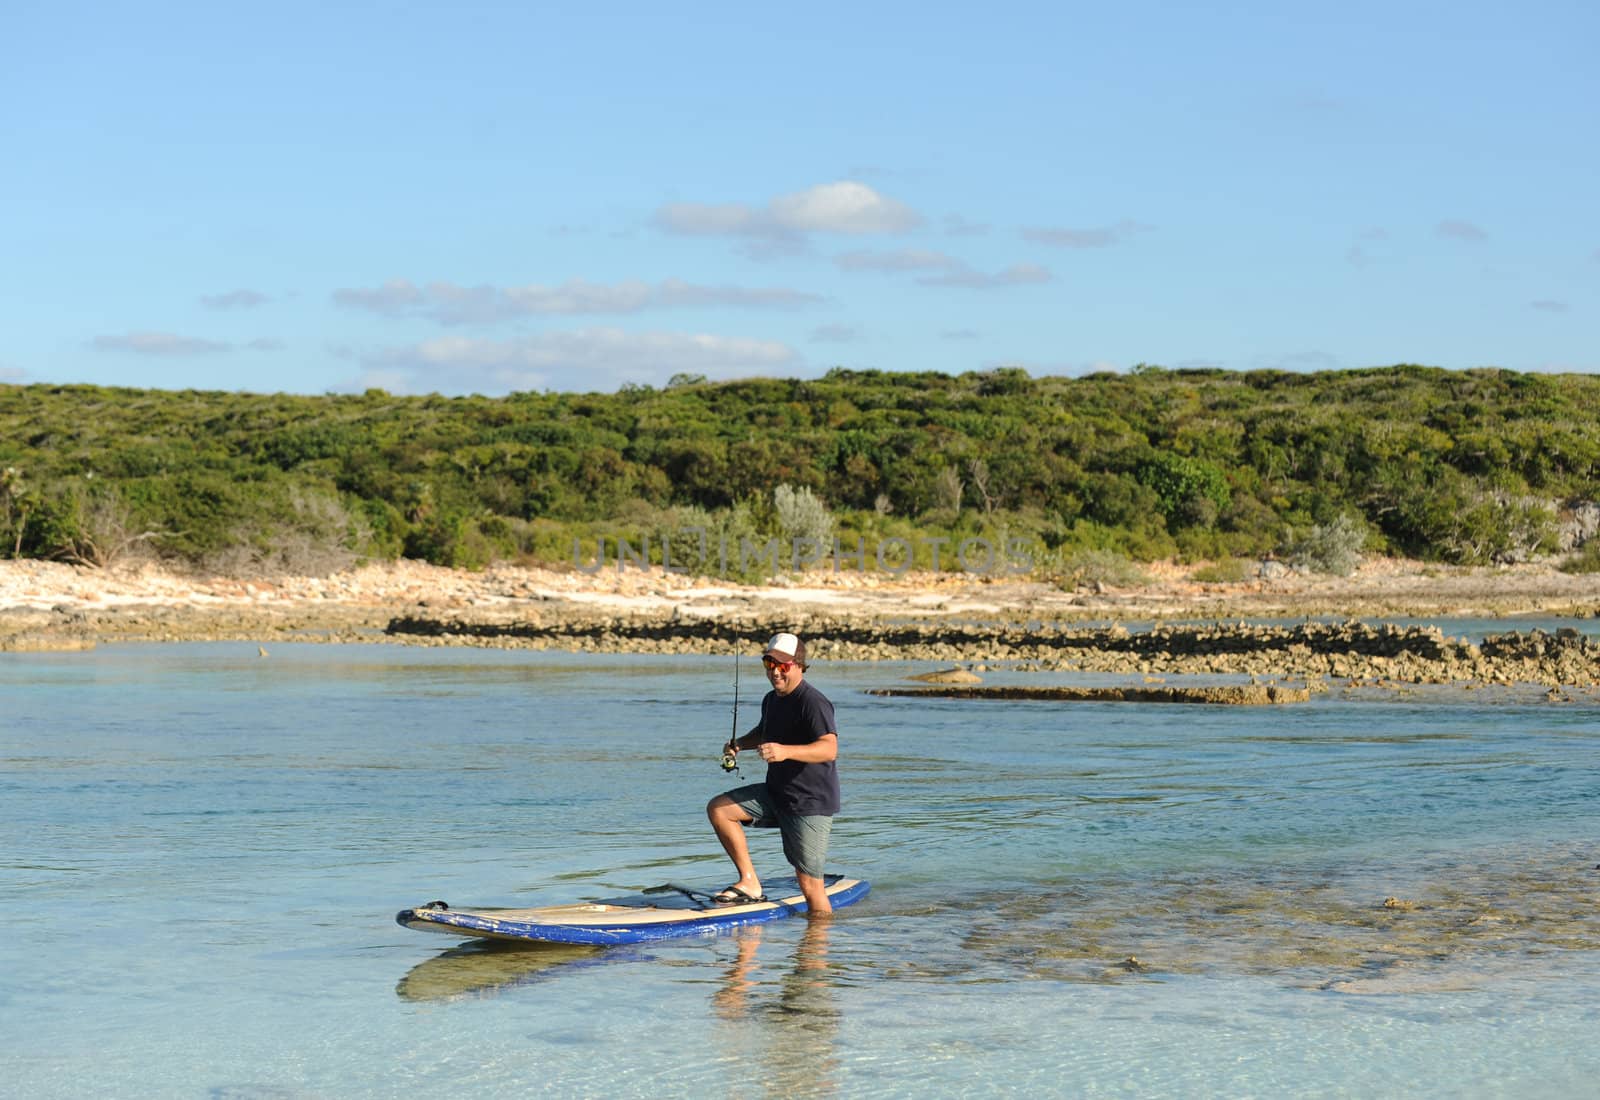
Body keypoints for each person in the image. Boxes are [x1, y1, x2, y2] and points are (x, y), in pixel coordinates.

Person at [707, 632, 841, 915]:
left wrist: (785, 751)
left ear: (799, 665)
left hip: (809, 803)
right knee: (720, 809)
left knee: (809, 885)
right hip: (776, 794)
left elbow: (829, 749)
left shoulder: (813, 702)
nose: (775, 671)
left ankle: (816, 950)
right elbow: (765, 732)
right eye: (769, 663)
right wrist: (740, 744)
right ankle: (750, 882)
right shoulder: (771, 700)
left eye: (783, 665)